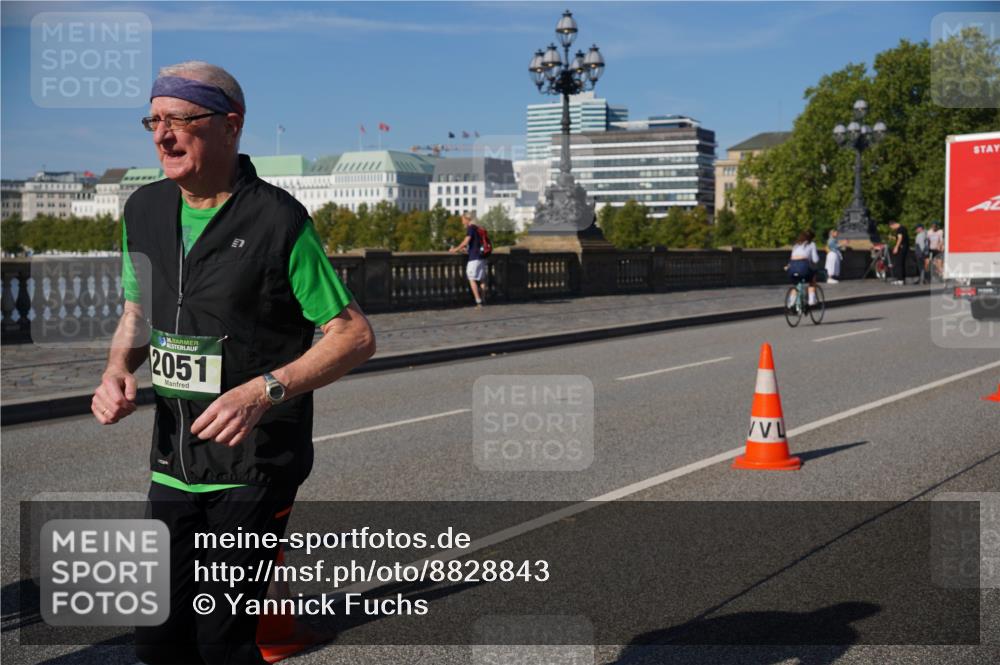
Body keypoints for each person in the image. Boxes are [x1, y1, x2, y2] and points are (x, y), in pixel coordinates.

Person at [90, 61, 376, 665]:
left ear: (229, 126)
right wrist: (118, 369)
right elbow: (138, 311)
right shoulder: (141, 210)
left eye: (180, 120)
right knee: (157, 640)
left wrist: (263, 391)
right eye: (154, 121)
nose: (162, 136)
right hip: (174, 458)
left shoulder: (278, 220)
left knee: (223, 642)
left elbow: (352, 335)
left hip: (255, 462)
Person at [448, 212, 487, 308]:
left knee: (471, 279)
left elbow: (466, 241)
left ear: (467, 219)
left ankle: (478, 301)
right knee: (481, 279)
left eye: (462, 220)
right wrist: (465, 250)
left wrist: (455, 250)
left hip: (474, 258)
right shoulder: (478, 228)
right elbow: (474, 244)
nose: (462, 222)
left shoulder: (471, 228)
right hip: (481, 257)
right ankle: (484, 299)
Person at [787, 230, 820, 306]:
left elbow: (791, 257)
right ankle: (811, 299)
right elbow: (815, 260)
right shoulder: (811, 244)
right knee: (812, 279)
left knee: (796, 285)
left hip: (792, 267)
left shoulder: (796, 245)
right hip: (803, 266)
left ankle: (791, 302)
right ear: (811, 238)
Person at [889, 220, 909, 285]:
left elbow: (900, 238)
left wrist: (896, 247)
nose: (892, 229)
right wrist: (893, 238)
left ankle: (900, 280)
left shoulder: (899, 229)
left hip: (901, 248)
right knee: (902, 263)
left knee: (899, 263)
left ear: (893, 224)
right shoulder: (903, 228)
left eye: (891, 227)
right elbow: (901, 238)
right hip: (905, 247)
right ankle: (902, 279)